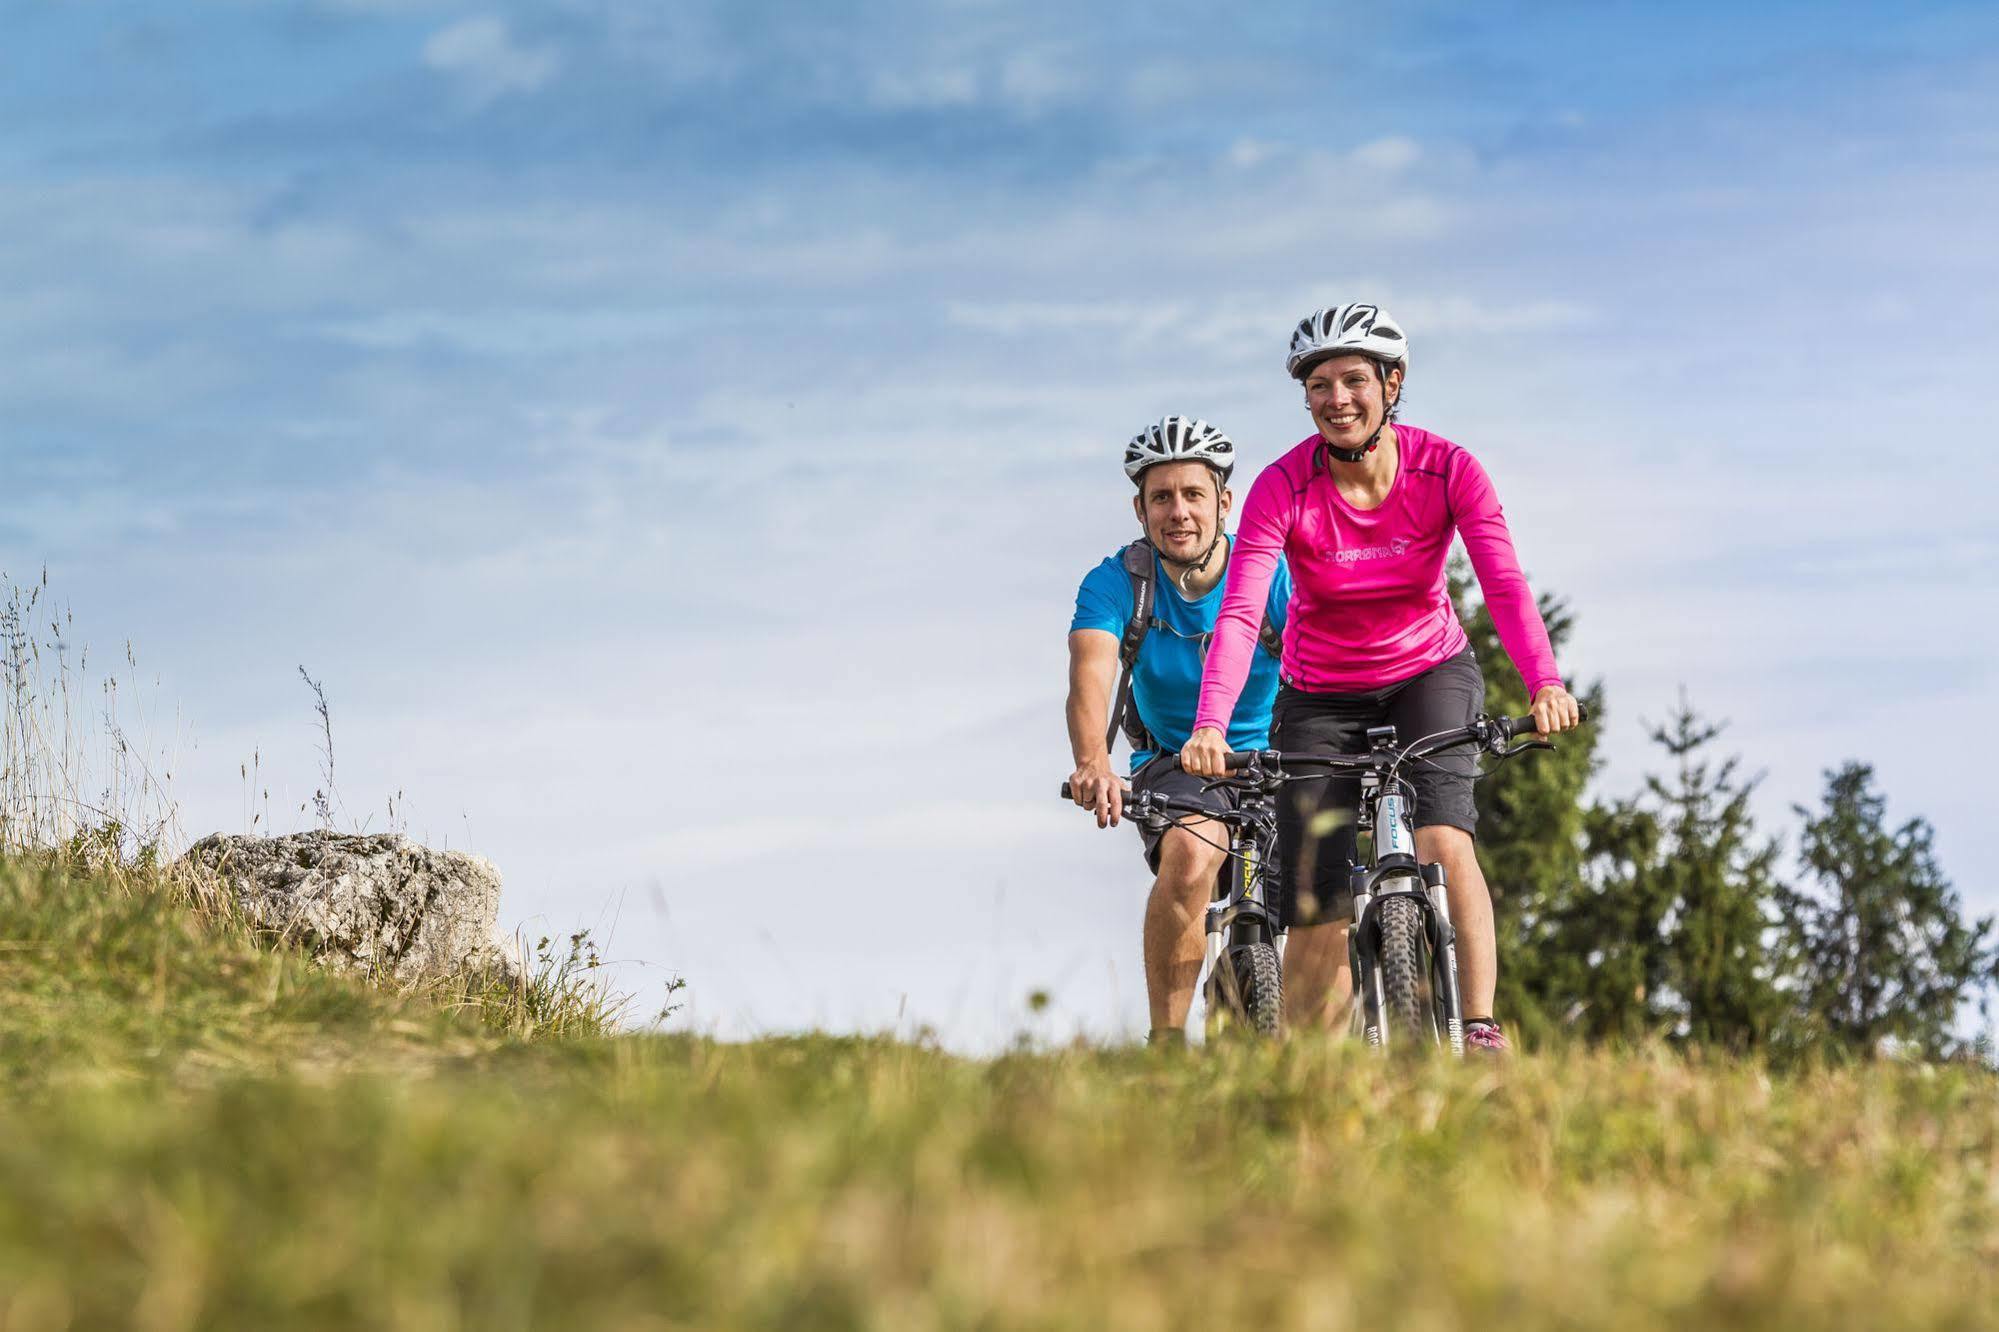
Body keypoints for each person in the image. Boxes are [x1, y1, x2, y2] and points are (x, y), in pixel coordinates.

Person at [1179, 303, 1581, 1053]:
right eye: (1319, 384)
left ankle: (1479, 1027)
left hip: (1426, 671)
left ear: (1391, 385)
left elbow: (1501, 583)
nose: (1336, 398)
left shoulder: (1448, 468)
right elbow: (1238, 613)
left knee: (1440, 836)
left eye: (1354, 380)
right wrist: (1210, 722)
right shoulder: (1280, 487)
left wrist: (1544, 683)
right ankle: (1313, 1078)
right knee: (1315, 897)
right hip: (1318, 692)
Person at [1065, 416, 1292, 1046]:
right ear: (1139, 509)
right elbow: (1091, 677)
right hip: (1177, 762)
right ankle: (1166, 1048)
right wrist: (1093, 761)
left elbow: (1323, 655)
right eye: (1161, 497)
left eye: (1194, 494)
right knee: (1192, 856)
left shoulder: (1269, 571)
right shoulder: (1117, 583)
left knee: (1320, 904)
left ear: (1224, 502)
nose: (1178, 511)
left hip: (1284, 754)